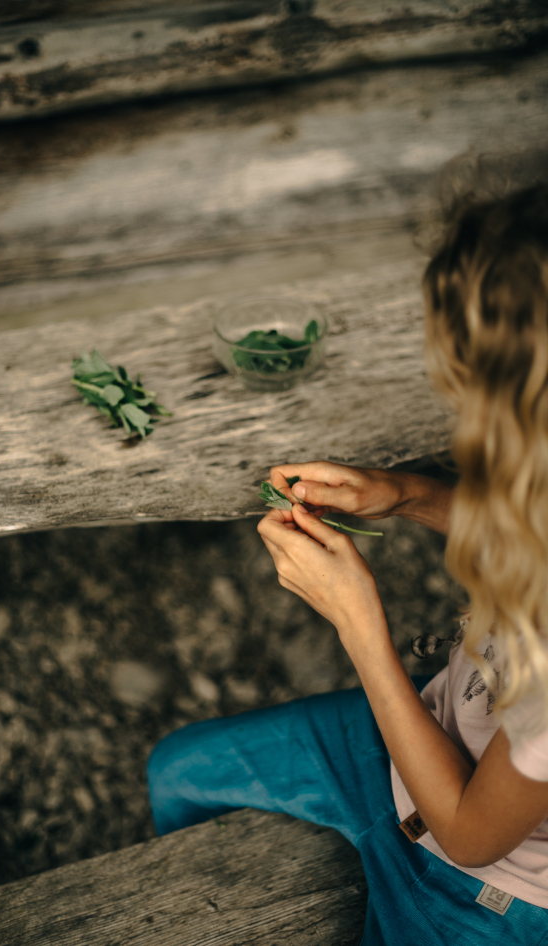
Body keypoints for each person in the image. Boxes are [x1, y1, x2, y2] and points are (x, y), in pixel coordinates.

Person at [147, 184, 548, 944]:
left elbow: (468, 834)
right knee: (178, 773)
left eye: (467, 393)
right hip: (421, 742)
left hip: (480, 896)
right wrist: (404, 496)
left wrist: (360, 625)